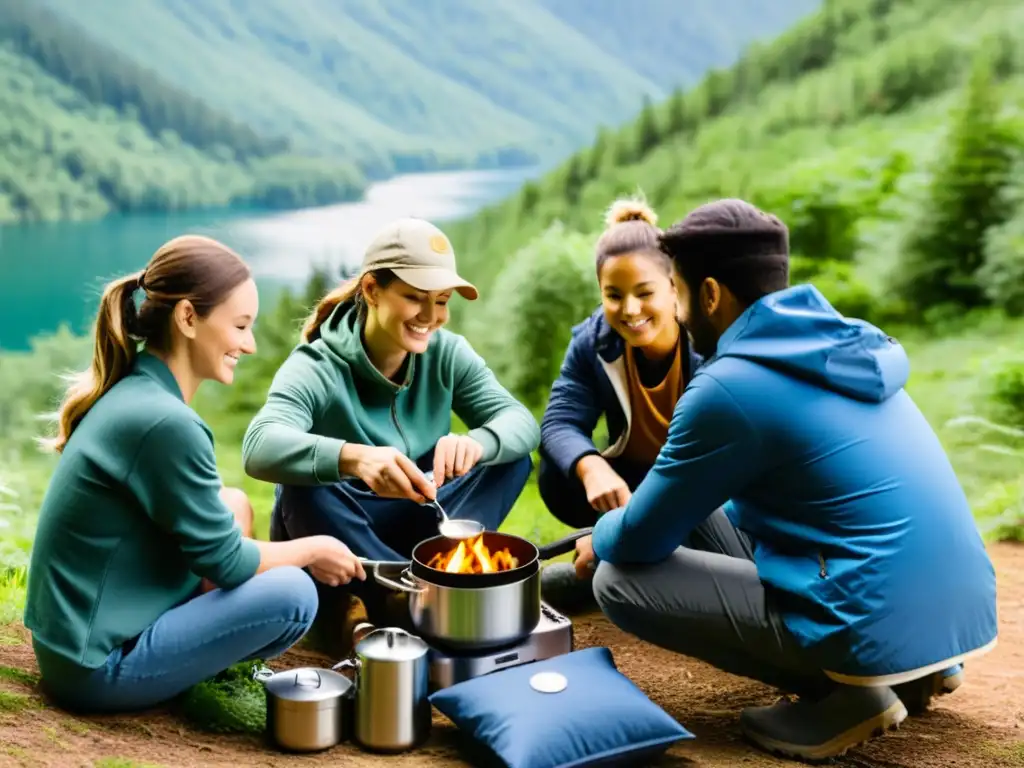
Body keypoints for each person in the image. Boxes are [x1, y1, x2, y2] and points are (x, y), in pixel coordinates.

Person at [567, 199, 998, 761]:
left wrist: (598, 540)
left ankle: (848, 695)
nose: (674, 303)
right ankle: (919, 670)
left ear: (712, 294)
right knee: (693, 505)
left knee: (618, 579)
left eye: (675, 288)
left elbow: (641, 538)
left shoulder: (728, 387)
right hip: (956, 614)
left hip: (866, 618)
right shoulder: (841, 347)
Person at [23, 235, 366, 715]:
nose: (248, 344)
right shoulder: (166, 422)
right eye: (241, 326)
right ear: (187, 317)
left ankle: (188, 641)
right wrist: (314, 549)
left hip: (74, 641)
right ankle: (183, 659)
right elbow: (227, 564)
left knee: (234, 505)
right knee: (293, 594)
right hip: (97, 670)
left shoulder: (137, 389)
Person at [242, 218, 538, 625]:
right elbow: (258, 445)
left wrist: (478, 442)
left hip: (423, 513)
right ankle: (409, 589)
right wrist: (355, 458)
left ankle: (432, 571)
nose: (431, 316)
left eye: (442, 300)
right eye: (415, 297)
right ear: (372, 290)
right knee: (300, 490)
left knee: (511, 458)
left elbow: (521, 422)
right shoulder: (318, 364)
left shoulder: (447, 354)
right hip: (345, 528)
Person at [537, 198, 702, 610]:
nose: (630, 310)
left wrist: (626, 528)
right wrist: (591, 467)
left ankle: (618, 560)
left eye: (644, 292)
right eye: (613, 295)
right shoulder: (594, 341)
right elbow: (558, 422)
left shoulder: (706, 340)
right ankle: (628, 552)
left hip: (701, 479)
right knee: (558, 474)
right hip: (634, 479)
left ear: (673, 286)